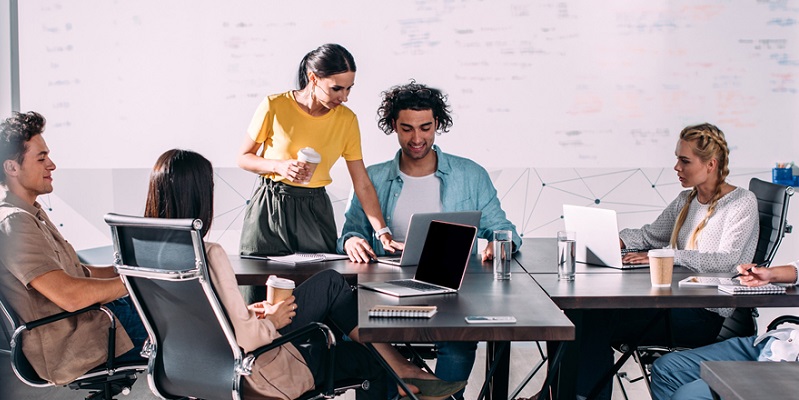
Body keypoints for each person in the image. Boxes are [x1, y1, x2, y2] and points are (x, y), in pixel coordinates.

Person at [145, 149, 467, 400]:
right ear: (200, 197)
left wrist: (250, 313)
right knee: (338, 301)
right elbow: (243, 340)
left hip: (179, 372)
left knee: (332, 291)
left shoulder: (145, 253)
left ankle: (402, 370)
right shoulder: (209, 254)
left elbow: (203, 320)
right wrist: (272, 320)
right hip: (252, 372)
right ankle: (403, 371)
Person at [337, 81, 522, 398]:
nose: (417, 138)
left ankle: (441, 395)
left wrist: (500, 243)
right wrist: (351, 241)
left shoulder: (470, 175)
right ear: (394, 125)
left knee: (459, 340)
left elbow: (504, 228)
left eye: (425, 127)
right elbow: (350, 231)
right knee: (362, 335)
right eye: (407, 128)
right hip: (385, 286)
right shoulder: (373, 178)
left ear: (438, 124)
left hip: (449, 288)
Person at [572, 123, 759, 400]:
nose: (676, 167)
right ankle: (561, 392)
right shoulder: (687, 199)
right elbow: (651, 235)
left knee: (595, 319)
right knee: (580, 315)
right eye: (677, 159)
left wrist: (666, 256)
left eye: (684, 160)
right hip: (674, 304)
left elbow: (728, 261)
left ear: (711, 164)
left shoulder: (741, 202)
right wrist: (616, 240)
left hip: (701, 315)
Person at [0, 111, 146, 385]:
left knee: (192, 323)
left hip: (91, 323)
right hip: (77, 340)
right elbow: (70, 296)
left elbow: (76, 273)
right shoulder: (14, 223)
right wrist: (136, 281)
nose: (51, 165)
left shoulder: (31, 214)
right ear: (12, 168)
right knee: (193, 334)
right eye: (41, 158)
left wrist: (124, 270)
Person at [237, 43, 399, 256]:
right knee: (258, 284)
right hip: (270, 207)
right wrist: (279, 166)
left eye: (349, 88)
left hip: (315, 210)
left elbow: (362, 183)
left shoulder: (347, 120)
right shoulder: (273, 106)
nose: (345, 97)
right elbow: (243, 158)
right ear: (313, 78)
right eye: (337, 88)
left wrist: (382, 232)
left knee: (316, 285)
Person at [650, 261, 799, 400]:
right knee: (666, 369)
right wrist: (770, 274)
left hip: (789, 366)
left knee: (689, 395)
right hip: (779, 343)